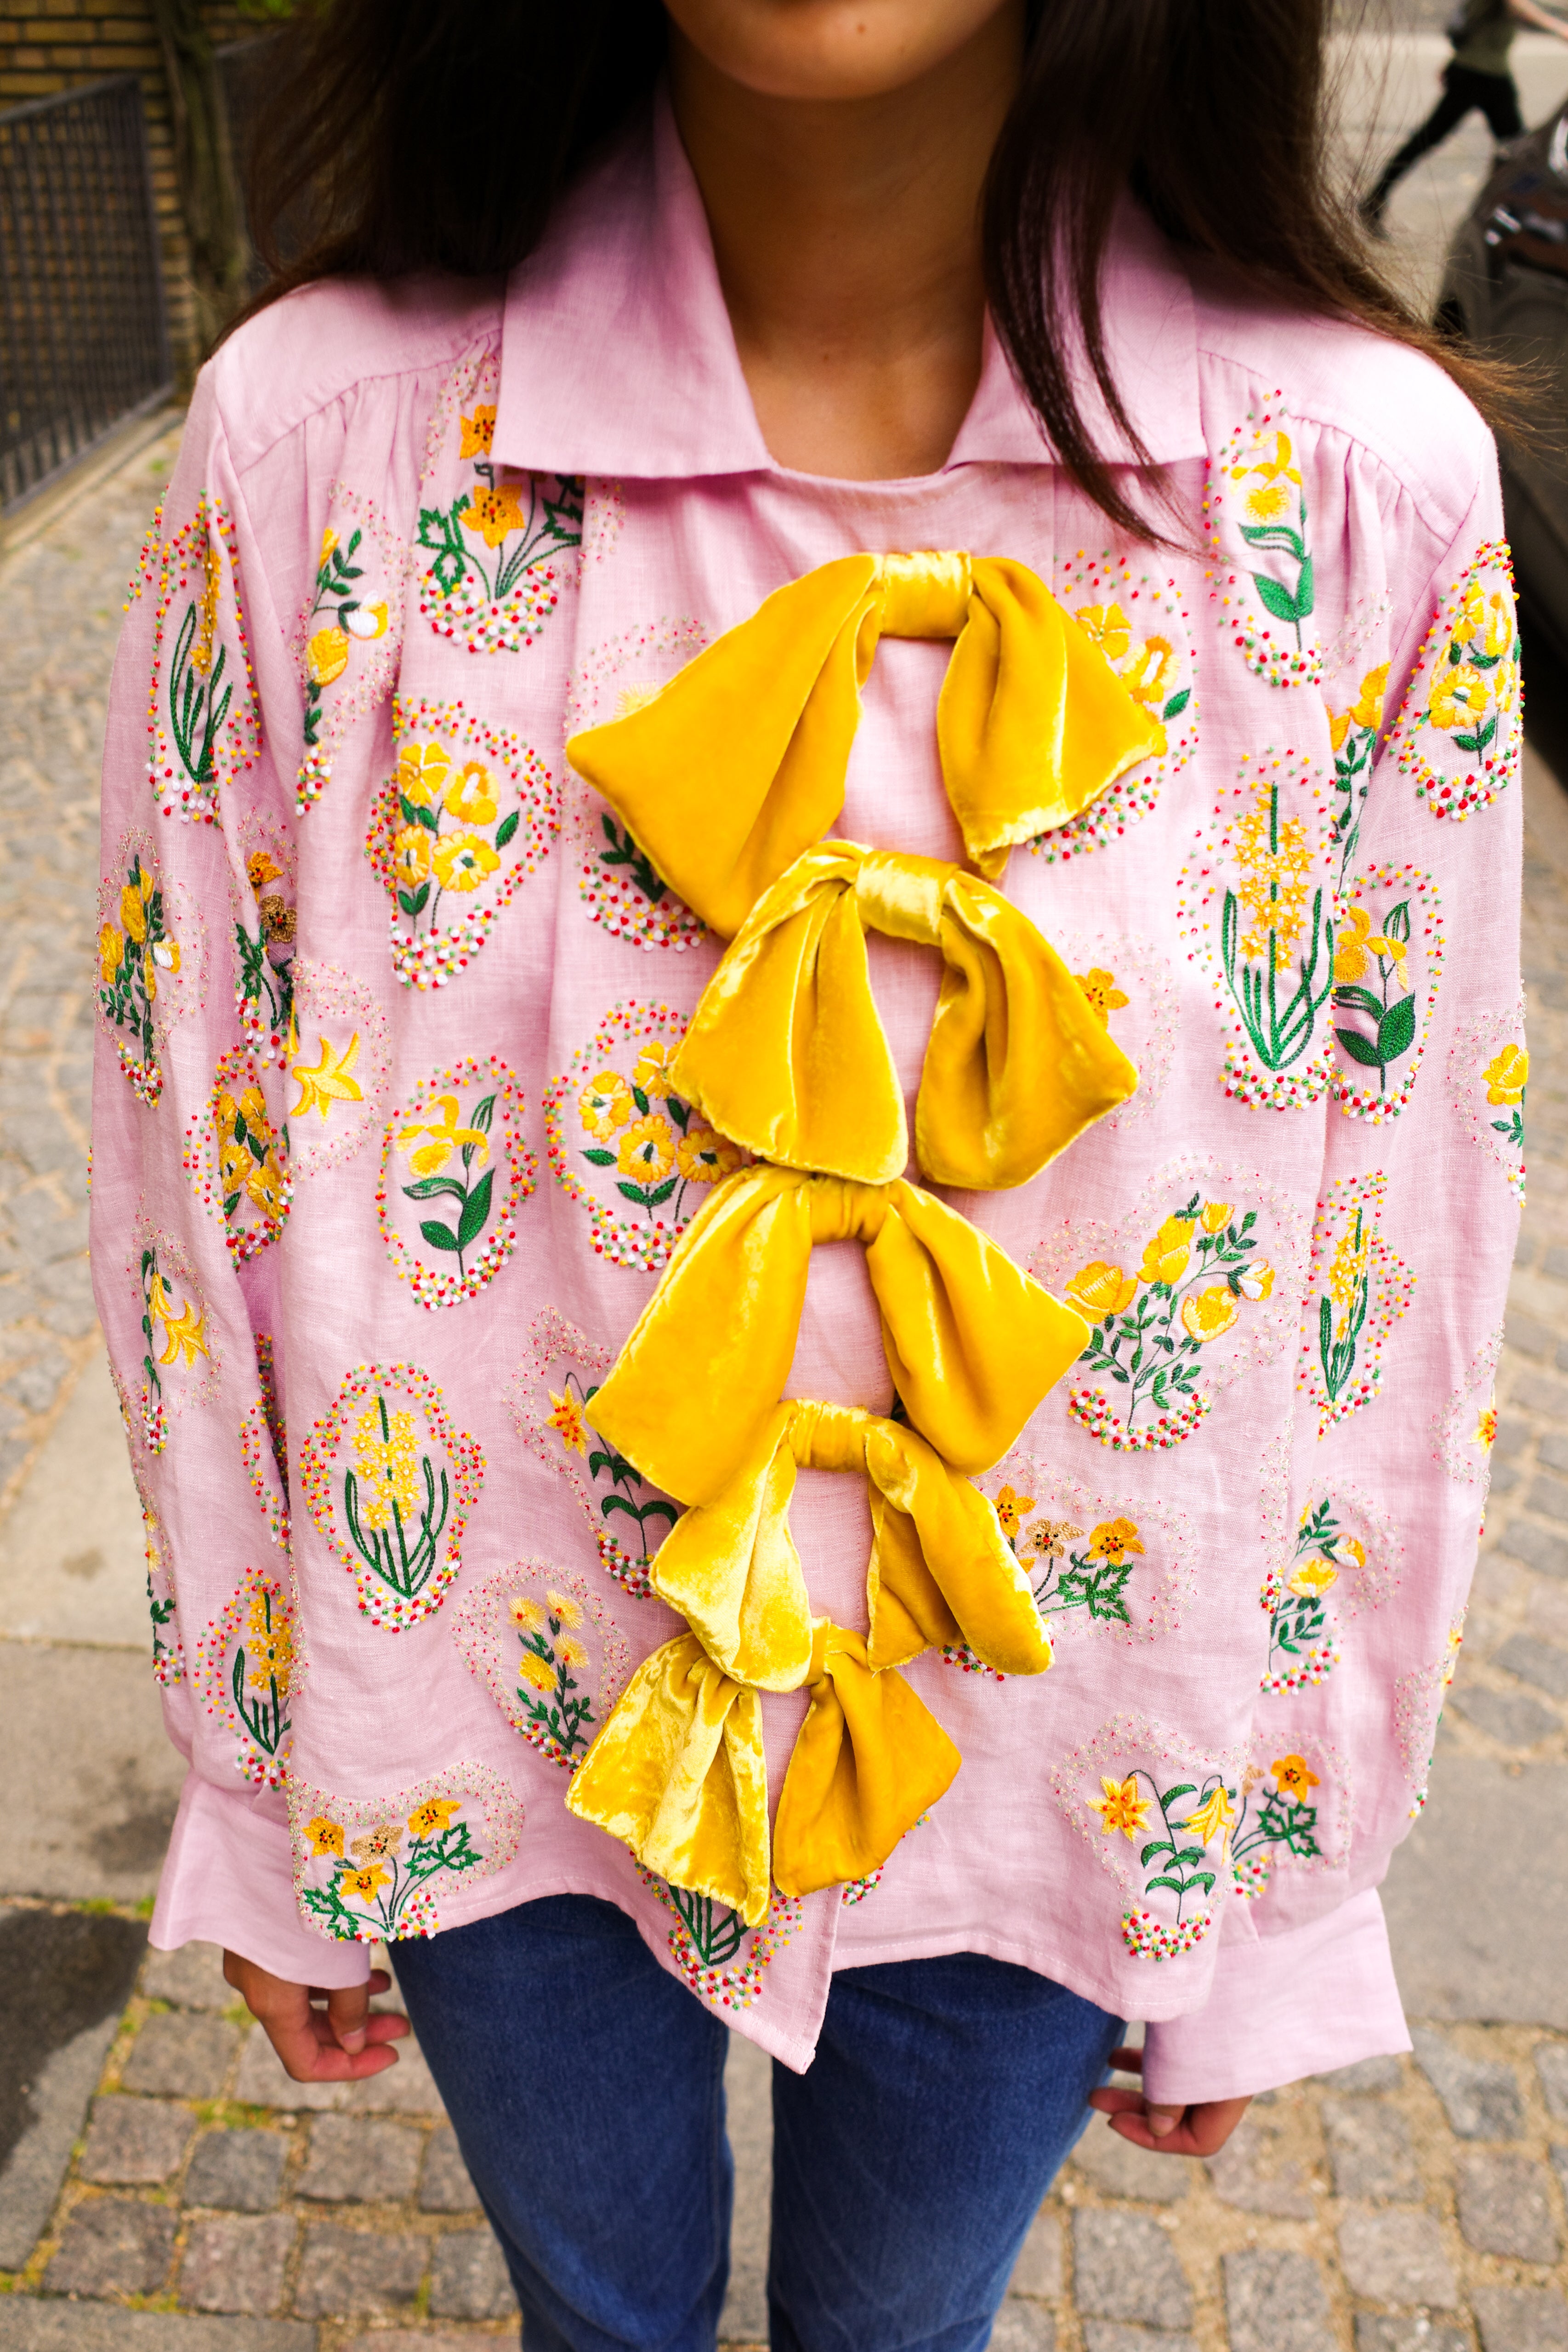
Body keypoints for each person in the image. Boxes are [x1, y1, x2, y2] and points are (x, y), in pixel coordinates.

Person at [92, 3, 1524, 2346]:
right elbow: (191, 1147)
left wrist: (1276, 1876)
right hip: (497, 1703)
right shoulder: (319, 451)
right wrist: (257, 1784)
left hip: (1058, 1730)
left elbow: (1401, 1237)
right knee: (603, 2322)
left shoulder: (1361, 500)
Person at [1363, 0, 1568, 230]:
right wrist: (1559, 29)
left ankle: (1377, 197)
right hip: (1481, 77)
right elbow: (1519, 9)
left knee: (1513, 149)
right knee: (1516, 151)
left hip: (1478, 75)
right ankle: (1377, 198)